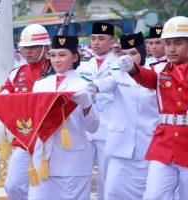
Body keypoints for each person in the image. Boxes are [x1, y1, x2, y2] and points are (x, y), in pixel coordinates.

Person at [118, 16, 188, 200]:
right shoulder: (162, 71)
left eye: (177, 43)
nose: (171, 49)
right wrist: (133, 69)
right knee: (153, 196)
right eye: (167, 43)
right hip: (164, 146)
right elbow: (149, 79)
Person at [88, 32, 159, 200]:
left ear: (143, 52)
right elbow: (104, 84)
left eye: (133, 53)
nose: (128, 59)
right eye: (124, 54)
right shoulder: (116, 73)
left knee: (149, 194)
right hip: (121, 148)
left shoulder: (155, 74)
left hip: (148, 145)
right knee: (112, 192)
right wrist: (91, 88)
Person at [29, 35, 99, 200]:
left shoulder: (85, 84)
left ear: (75, 57)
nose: (56, 60)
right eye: (53, 55)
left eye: (62, 55)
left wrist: (87, 105)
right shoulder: (40, 84)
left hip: (72, 159)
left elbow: (93, 127)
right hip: (44, 157)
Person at [0, 24, 52, 200]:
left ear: (46, 48)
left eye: (33, 47)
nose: (27, 52)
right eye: (24, 48)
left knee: (47, 189)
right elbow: (3, 94)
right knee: (12, 185)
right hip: (25, 138)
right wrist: (5, 95)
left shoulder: (55, 70)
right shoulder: (17, 73)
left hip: (50, 139)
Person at [75, 22, 117, 200]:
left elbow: (111, 84)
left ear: (111, 42)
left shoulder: (118, 64)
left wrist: (95, 87)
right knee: (81, 174)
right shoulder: (83, 65)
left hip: (108, 126)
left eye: (101, 38)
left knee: (105, 176)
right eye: (93, 38)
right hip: (85, 126)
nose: (96, 42)